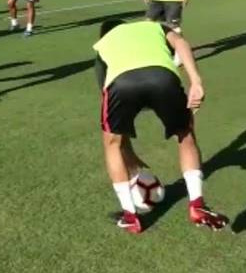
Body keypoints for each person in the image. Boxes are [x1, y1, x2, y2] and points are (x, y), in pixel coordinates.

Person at [92, 19, 229, 234]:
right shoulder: (153, 26)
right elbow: (181, 43)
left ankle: (130, 217)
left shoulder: (103, 45)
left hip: (122, 84)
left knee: (112, 143)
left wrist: (131, 156)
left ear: (104, 34)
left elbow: (109, 100)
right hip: (164, 77)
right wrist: (196, 81)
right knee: (185, 134)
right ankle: (197, 206)